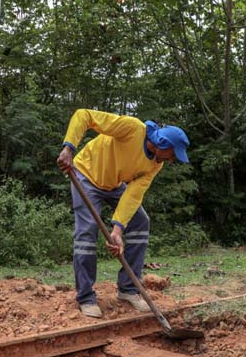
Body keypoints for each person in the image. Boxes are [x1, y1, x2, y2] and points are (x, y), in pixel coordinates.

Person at [56, 110, 190, 318]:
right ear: (163, 144)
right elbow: (84, 116)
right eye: (173, 154)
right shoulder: (132, 128)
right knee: (88, 229)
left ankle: (128, 289)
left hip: (114, 184)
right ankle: (85, 297)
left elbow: (133, 196)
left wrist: (117, 230)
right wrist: (69, 148)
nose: (172, 160)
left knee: (140, 221)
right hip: (86, 174)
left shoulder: (156, 164)